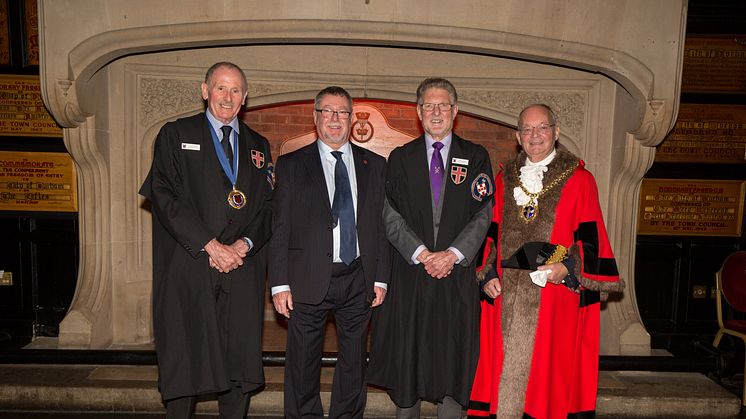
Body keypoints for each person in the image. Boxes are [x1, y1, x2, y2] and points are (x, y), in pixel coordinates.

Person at [467, 104, 625, 418]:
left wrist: (567, 267)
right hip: (507, 299)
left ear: (556, 132)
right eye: (527, 129)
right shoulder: (504, 180)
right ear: (517, 136)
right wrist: (487, 275)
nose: (535, 135)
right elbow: (491, 237)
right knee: (502, 376)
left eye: (542, 128)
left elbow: (591, 242)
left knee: (546, 383)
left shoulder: (581, 180)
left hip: (554, 300)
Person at [139, 61, 274, 419]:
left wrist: (243, 245)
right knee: (186, 359)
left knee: (237, 362)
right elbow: (164, 196)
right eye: (220, 88)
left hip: (241, 271)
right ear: (205, 91)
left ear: (245, 97)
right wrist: (211, 245)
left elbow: (269, 208)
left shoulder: (259, 147)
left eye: (235, 90)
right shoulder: (175, 134)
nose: (227, 97)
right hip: (192, 267)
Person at [368, 78, 494, 419]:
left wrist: (452, 255)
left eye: (443, 106)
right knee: (409, 357)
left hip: (457, 278)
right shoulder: (400, 157)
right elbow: (387, 212)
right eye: (428, 106)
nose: (435, 112)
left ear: (455, 111)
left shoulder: (476, 156)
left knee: (454, 357)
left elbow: (484, 213)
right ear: (418, 112)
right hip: (412, 276)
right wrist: (422, 254)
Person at [268, 86, 390, 419]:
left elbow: (381, 228)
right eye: (328, 111)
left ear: (351, 119)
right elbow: (279, 227)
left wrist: (381, 278)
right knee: (303, 363)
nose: (335, 119)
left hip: (358, 278)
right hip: (306, 277)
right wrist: (279, 284)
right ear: (315, 116)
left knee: (354, 363)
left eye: (342, 112)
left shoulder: (374, 165)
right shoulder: (292, 164)